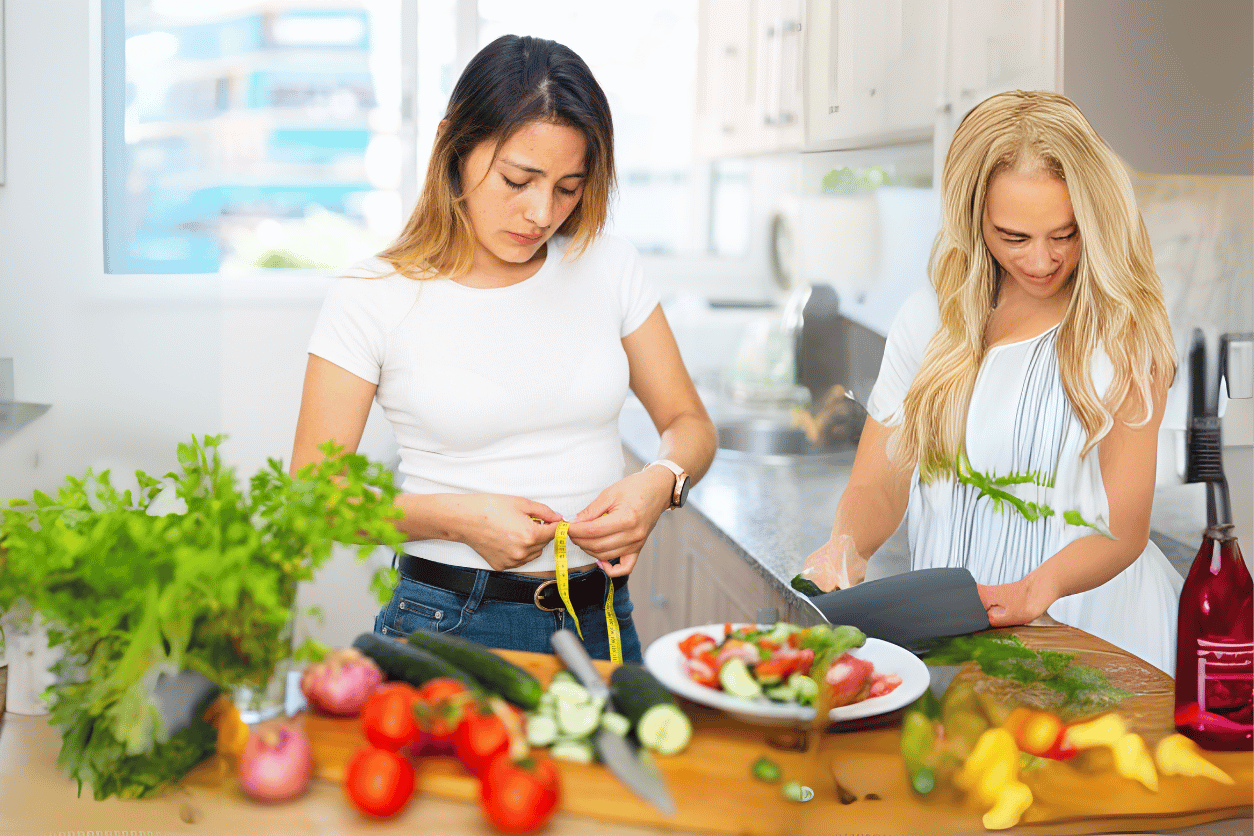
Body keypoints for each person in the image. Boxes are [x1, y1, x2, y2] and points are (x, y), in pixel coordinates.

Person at [290, 34, 717, 663]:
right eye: (518, 179)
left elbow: (690, 425)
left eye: (569, 188)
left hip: (600, 617)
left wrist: (661, 481)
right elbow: (313, 493)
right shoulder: (374, 294)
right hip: (448, 622)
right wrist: (458, 520)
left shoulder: (609, 266)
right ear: (455, 147)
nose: (541, 212)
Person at [801, 90, 1184, 675]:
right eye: (1015, 237)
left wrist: (1037, 589)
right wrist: (845, 547)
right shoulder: (929, 319)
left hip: (1101, 638)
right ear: (975, 218)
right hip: (956, 638)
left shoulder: (1123, 329)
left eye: (1065, 234)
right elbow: (879, 484)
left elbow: (1124, 527)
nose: (1041, 261)